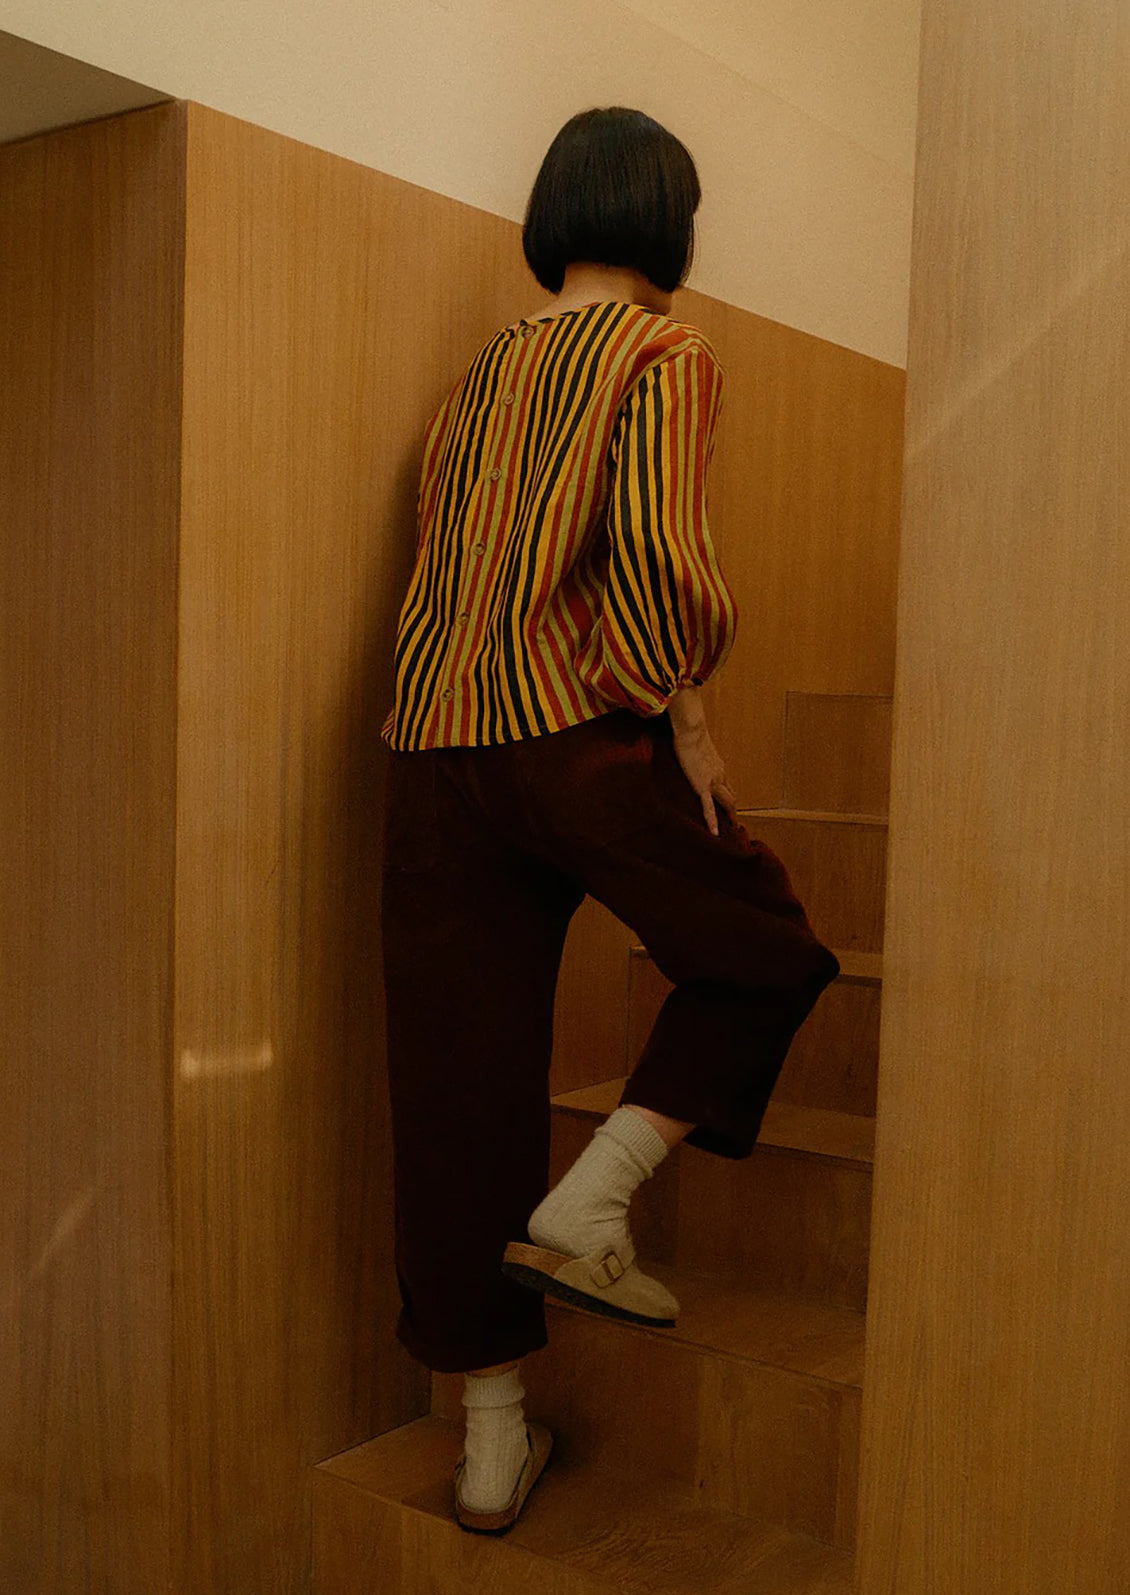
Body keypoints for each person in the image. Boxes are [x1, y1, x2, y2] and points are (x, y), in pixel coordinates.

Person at [378, 105, 841, 1536]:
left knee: (458, 1092)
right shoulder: (661, 352)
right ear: (666, 219)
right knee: (766, 948)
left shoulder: (481, 370)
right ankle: (597, 1200)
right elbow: (656, 560)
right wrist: (686, 718)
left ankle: (488, 1442)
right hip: (571, 736)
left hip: (427, 752)